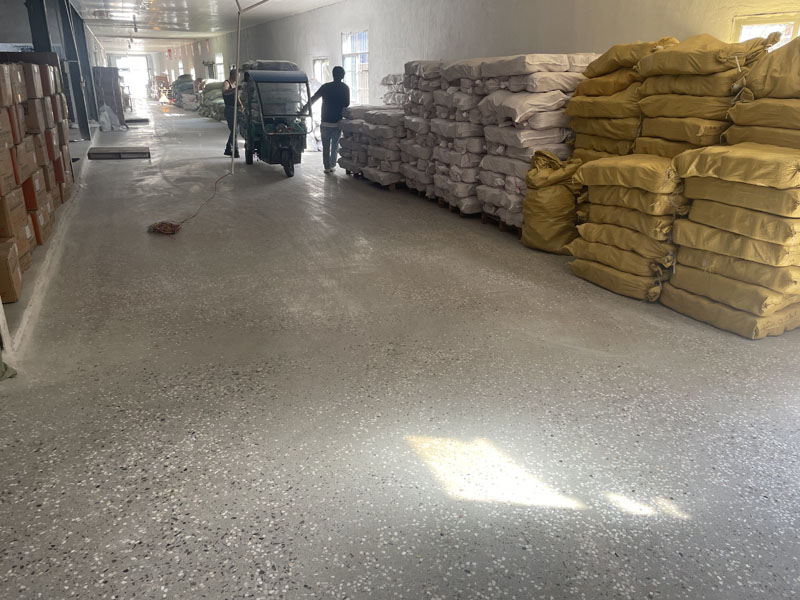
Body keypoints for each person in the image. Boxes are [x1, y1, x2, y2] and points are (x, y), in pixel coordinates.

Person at [301, 66, 350, 174]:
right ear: (343, 76)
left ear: (333, 75)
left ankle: (327, 167)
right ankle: (332, 165)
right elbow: (346, 103)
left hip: (325, 122)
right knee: (335, 145)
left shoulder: (325, 87)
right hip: (337, 122)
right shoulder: (345, 88)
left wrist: (303, 110)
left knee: (326, 146)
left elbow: (313, 99)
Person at [222, 68, 243, 158]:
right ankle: (235, 151)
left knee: (236, 130)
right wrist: (235, 89)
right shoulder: (227, 83)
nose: (238, 78)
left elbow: (237, 97)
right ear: (233, 75)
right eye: (237, 76)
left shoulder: (234, 84)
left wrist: (241, 105)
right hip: (230, 109)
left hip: (236, 109)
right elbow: (225, 92)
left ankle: (228, 149)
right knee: (234, 131)